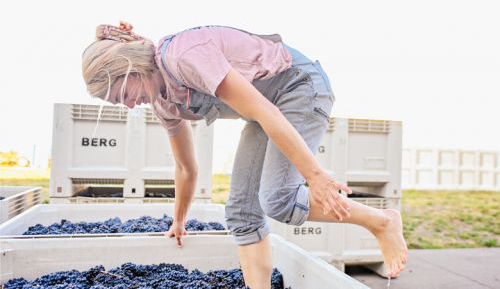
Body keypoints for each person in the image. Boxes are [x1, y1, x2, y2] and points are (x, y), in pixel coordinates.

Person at [82, 22, 408, 288]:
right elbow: (185, 167)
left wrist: (314, 175)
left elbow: (264, 109)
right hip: (266, 112)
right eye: (117, 103)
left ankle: (380, 222)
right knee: (241, 212)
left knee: (277, 198)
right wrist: (179, 220)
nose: (127, 105)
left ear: (133, 67)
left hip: (299, 87)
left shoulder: (183, 55)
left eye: (123, 93)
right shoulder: (164, 103)